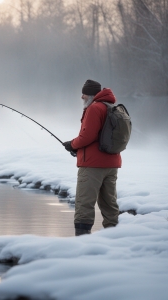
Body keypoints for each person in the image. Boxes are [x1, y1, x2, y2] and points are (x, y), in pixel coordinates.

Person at [63, 79, 121, 236]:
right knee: (110, 205)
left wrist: (72, 145)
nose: (82, 97)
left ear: (90, 95)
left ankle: (82, 242)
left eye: (84, 94)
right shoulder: (110, 106)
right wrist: (79, 149)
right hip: (111, 163)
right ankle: (114, 238)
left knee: (84, 204)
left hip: (93, 166)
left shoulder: (94, 108)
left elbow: (87, 136)